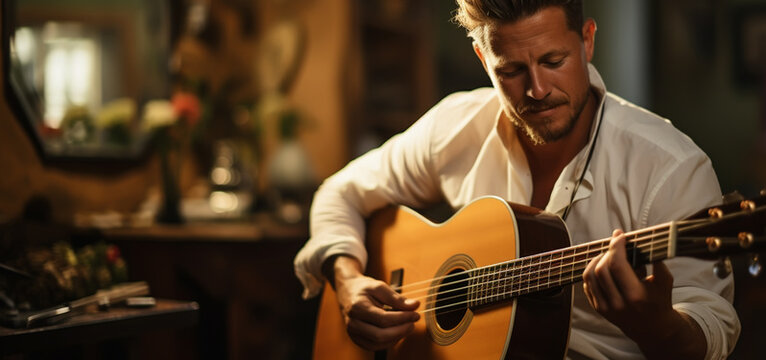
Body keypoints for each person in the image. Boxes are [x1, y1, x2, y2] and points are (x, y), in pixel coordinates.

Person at [294, 1, 740, 359]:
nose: (538, 89)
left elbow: (713, 328)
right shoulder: (458, 125)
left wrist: (658, 325)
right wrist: (348, 280)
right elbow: (339, 192)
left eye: (553, 60)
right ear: (482, 58)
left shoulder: (671, 168)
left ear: (586, 41)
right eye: (510, 70)